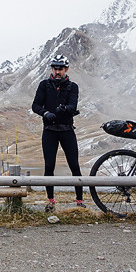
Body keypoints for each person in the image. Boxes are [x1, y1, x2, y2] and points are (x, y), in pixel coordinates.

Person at [32, 54, 86, 212]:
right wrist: (45, 113)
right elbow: (35, 105)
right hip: (49, 131)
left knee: (74, 165)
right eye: (55, 68)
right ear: (52, 69)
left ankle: (79, 201)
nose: (57, 71)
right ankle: (51, 201)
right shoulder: (44, 85)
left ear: (66, 69)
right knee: (49, 166)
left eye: (60, 69)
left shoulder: (73, 86)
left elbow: (73, 105)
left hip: (67, 130)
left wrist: (65, 109)